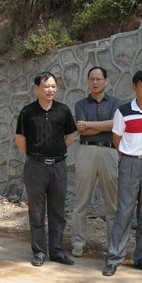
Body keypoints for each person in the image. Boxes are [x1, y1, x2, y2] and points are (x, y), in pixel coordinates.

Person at [102, 70, 142, 277]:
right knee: (124, 212)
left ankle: (141, 257)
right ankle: (114, 258)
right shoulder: (123, 111)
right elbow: (116, 139)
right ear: (134, 87)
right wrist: (128, 156)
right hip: (129, 163)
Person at [15, 72, 77, 268]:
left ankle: (57, 251)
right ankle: (39, 252)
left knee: (57, 211)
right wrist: (35, 155)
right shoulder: (27, 112)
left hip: (58, 166)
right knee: (37, 211)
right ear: (37, 88)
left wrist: (57, 151)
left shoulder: (63, 110)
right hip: (35, 167)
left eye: (53, 86)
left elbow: (71, 135)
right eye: (46, 86)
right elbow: (20, 139)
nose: (51, 90)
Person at [71, 67, 121, 257]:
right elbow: (81, 130)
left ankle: (114, 245)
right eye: (92, 79)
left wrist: (89, 125)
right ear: (88, 82)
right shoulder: (81, 104)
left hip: (110, 152)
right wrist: (104, 126)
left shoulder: (115, 103)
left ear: (106, 81)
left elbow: (115, 125)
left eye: (99, 79)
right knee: (81, 200)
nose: (95, 82)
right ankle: (78, 242)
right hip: (87, 151)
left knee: (112, 202)